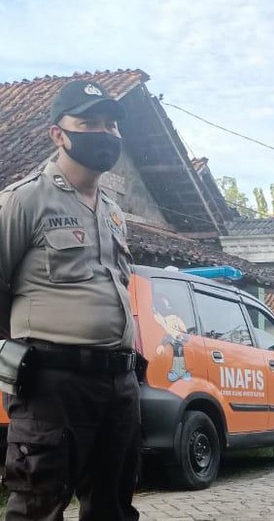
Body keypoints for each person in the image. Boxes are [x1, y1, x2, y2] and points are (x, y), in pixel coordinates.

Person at [0, 80, 141, 520]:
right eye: (88, 123)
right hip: (52, 383)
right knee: (39, 507)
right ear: (58, 134)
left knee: (113, 508)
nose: (104, 133)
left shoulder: (114, 210)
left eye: (110, 125)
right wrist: (19, 352)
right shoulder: (24, 200)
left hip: (119, 381)